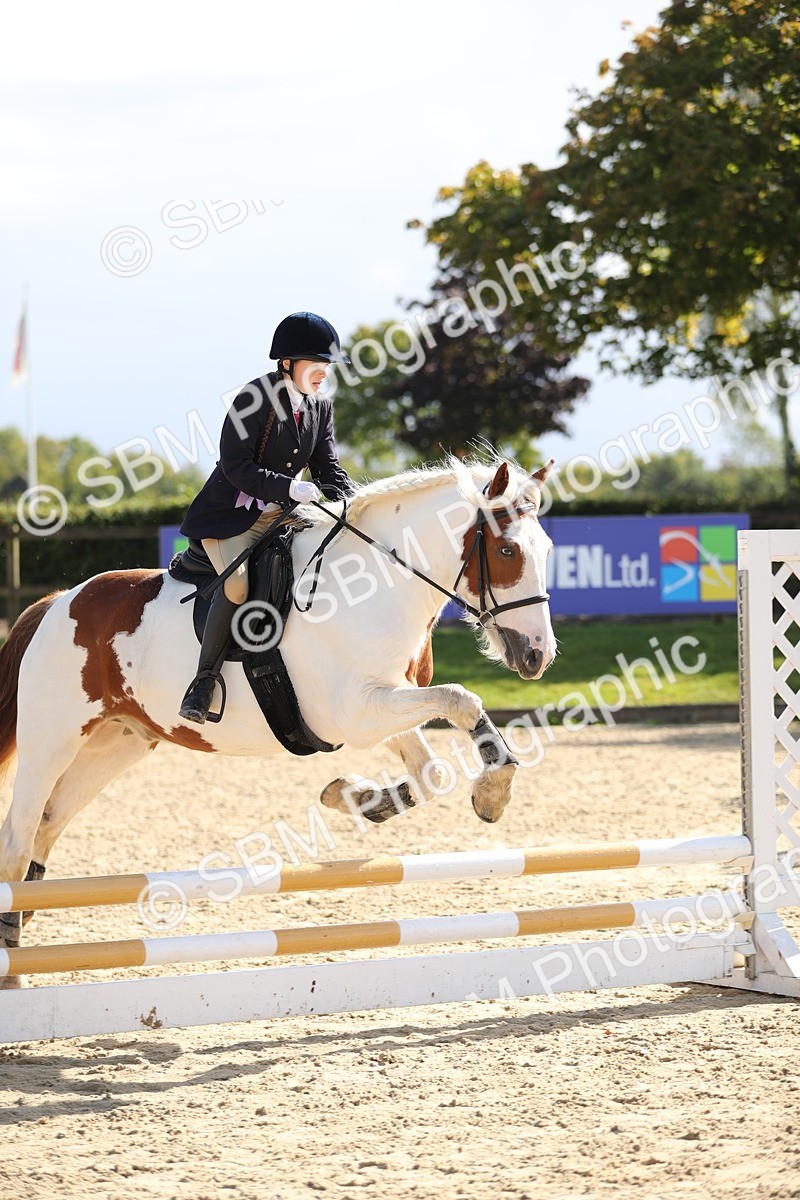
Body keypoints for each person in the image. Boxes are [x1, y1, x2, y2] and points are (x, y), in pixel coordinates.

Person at [177, 311, 356, 724]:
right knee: (238, 585)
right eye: (316, 364)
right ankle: (203, 683)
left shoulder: (320, 408)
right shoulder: (254, 399)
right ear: (287, 364)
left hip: (283, 516)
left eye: (326, 366)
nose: (323, 374)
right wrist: (289, 487)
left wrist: (354, 502)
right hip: (230, 518)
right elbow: (235, 465)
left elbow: (328, 468)